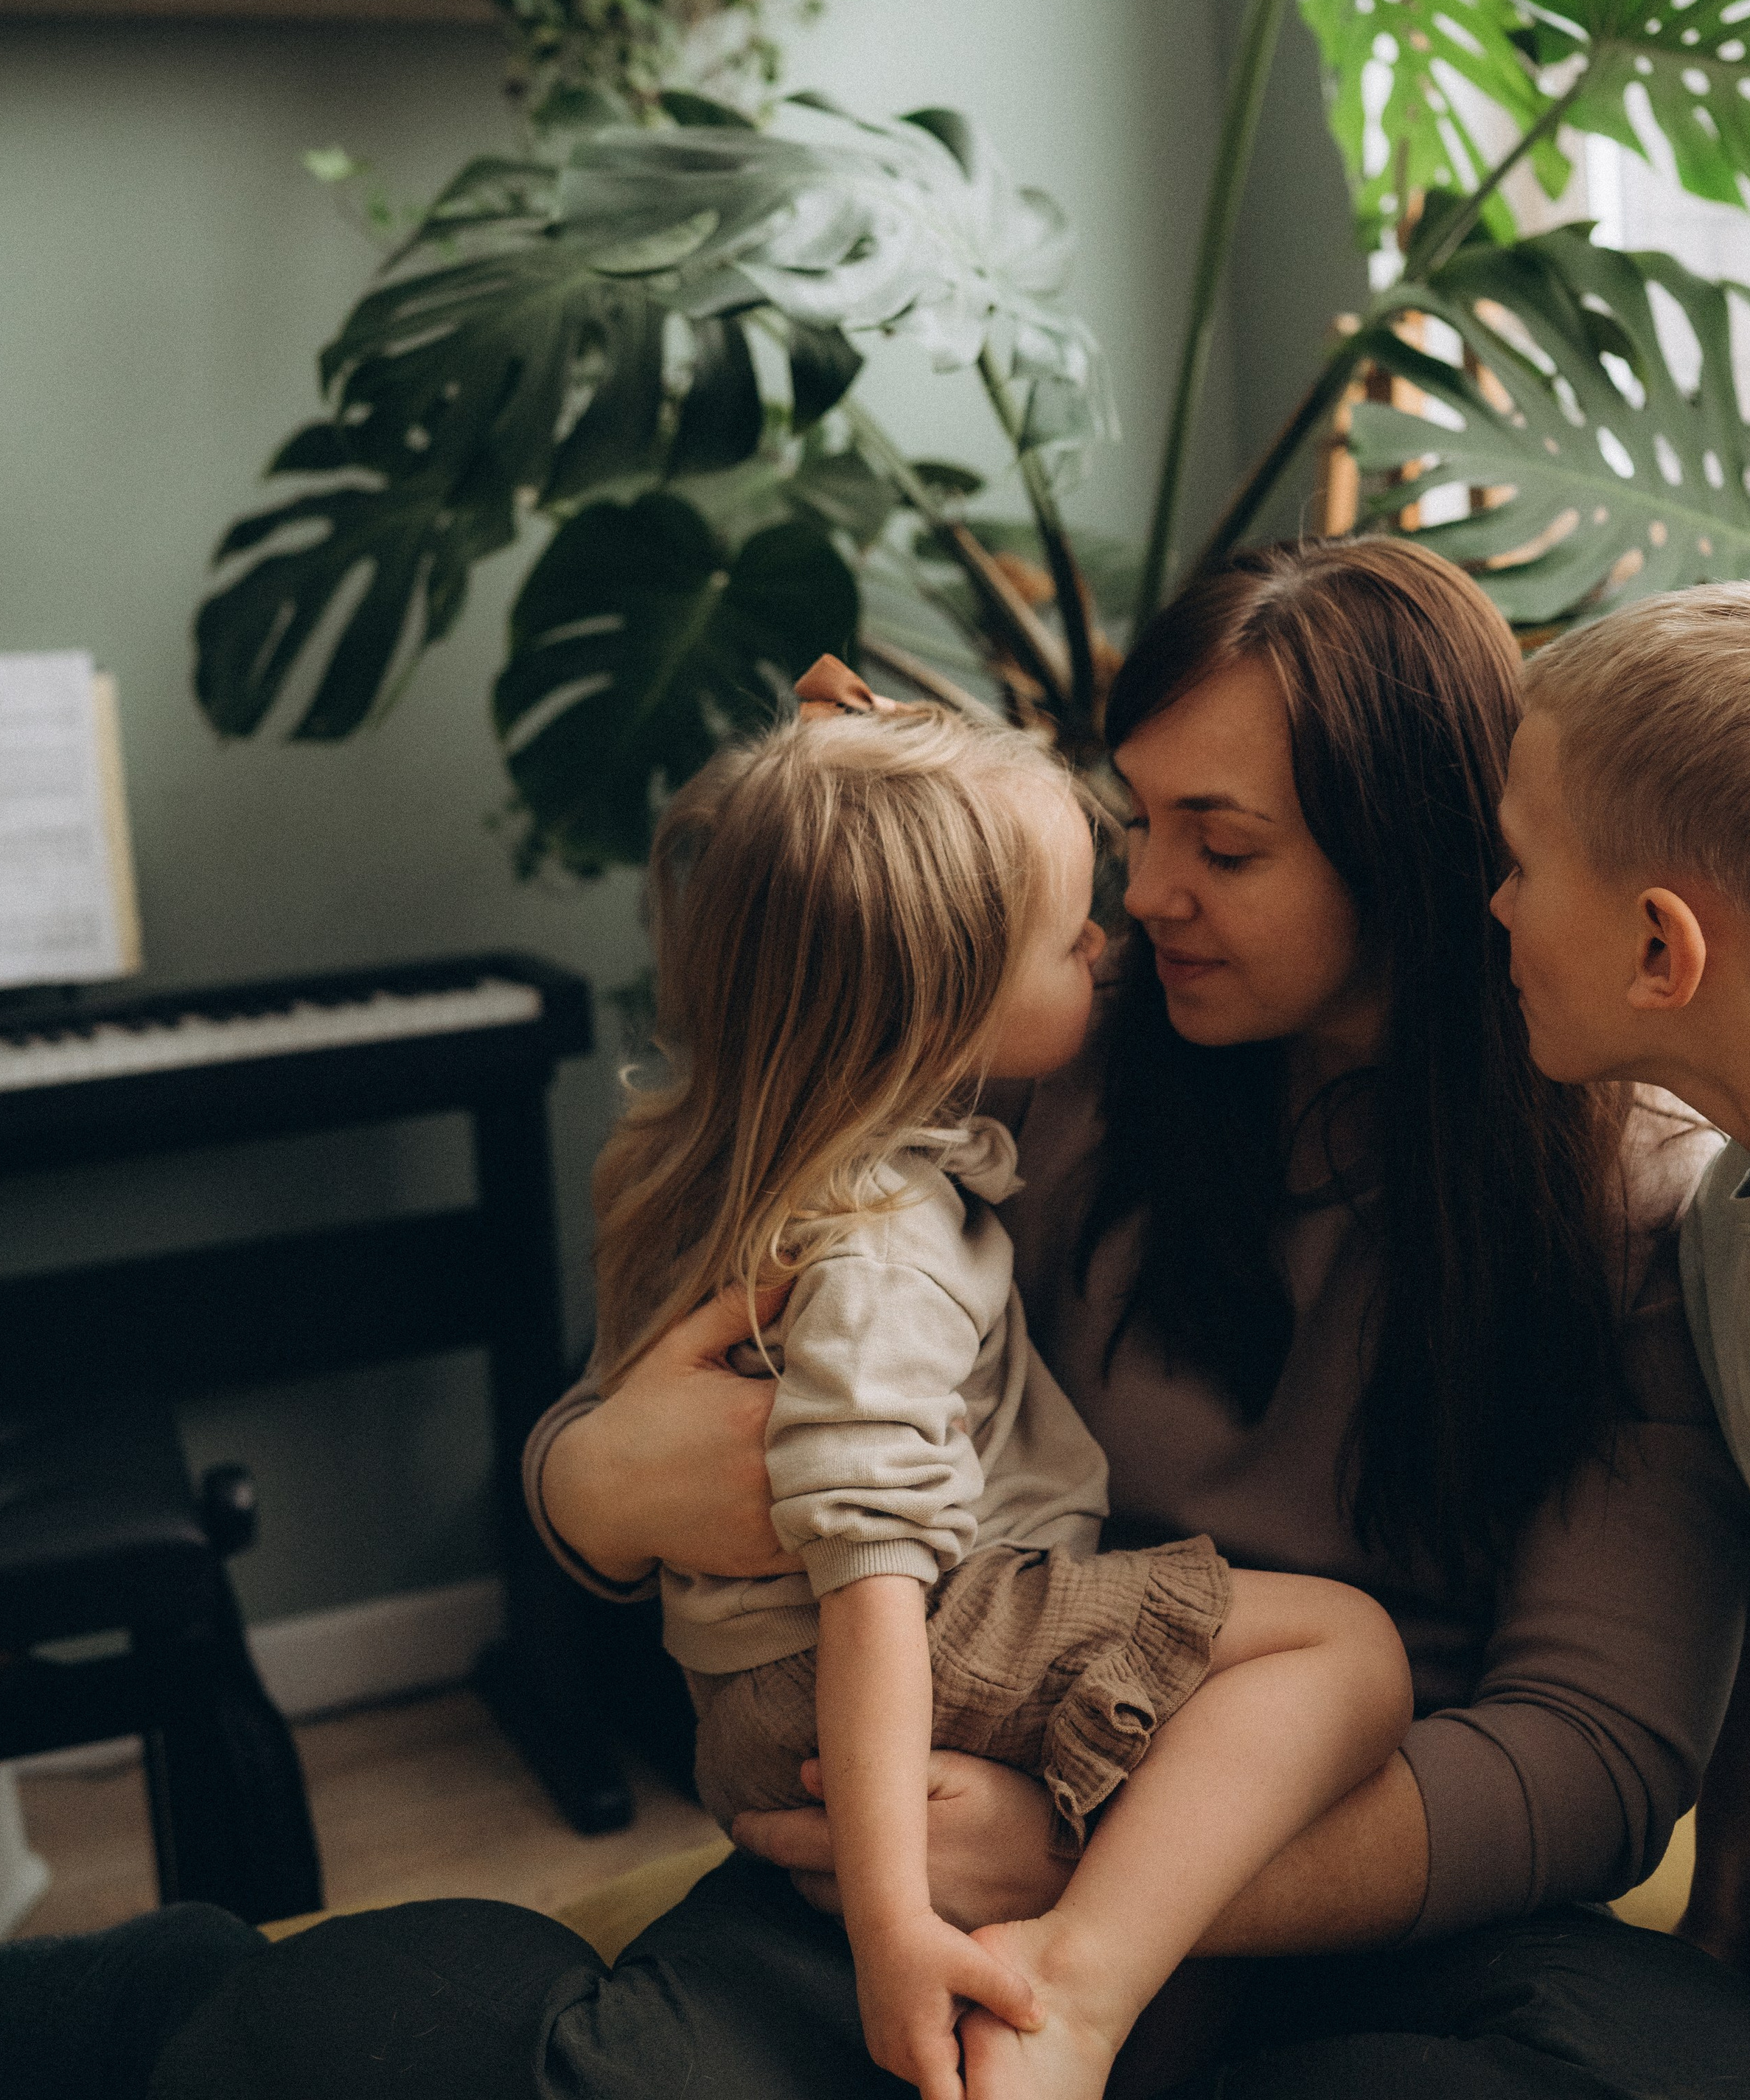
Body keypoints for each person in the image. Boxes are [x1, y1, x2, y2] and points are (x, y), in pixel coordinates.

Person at [0, 539, 1750, 2098]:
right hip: (947, 1803)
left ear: (1414, 866)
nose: (1142, 893)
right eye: (1131, 821)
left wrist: (1104, 1870)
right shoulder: (1040, 1080)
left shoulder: (1634, 1194)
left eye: (1221, 846)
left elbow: (1588, 1751)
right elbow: (709, 1357)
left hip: (1355, 1893)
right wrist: (584, 1488)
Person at [566, 691, 1412, 2098]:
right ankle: (1053, 2022)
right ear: (939, 999)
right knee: (1346, 1654)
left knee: (1201, 1941)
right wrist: (895, 1926)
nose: (1115, 933)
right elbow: (875, 1588)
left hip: (757, 1699)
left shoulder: (740, 1163)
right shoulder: (883, 1247)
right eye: (1068, 932)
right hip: (875, 1662)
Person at [1491, 579, 1750, 2033]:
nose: (1488, 905)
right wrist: (1722, 1898)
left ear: (1655, 950)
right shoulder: (1718, 1219)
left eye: (1514, 864)